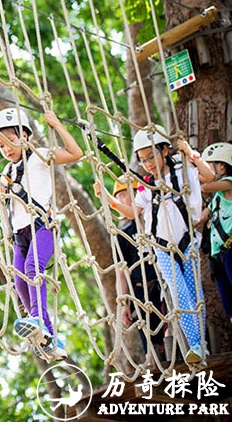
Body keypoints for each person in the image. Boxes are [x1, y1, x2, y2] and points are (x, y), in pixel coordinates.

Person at [0, 107, 83, 360]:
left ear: (25, 136)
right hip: (20, 234)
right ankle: (49, 337)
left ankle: (38, 320)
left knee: (33, 268)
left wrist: (57, 124)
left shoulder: (38, 157)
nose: (6, 148)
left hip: (42, 226)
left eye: (11, 140)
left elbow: (75, 153)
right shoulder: (6, 171)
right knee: (19, 283)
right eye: (1, 144)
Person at [107, 125, 210, 364]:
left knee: (195, 294)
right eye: (142, 160)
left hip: (188, 243)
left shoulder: (185, 173)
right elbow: (133, 213)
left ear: (164, 150)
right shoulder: (148, 189)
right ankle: (195, 345)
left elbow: (208, 177)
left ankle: (200, 344)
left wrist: (190, 153)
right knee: (179, 293)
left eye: (151, 156)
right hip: (162, 248)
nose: (148, 164)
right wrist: (111, 202)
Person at [94, 175, 166, 364]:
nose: (124, 200)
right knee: (151, 344)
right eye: (120, 196)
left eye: (128, 194)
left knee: (171, 334)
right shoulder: (123, 236)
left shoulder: (157, 223)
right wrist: (124, 302)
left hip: (164, 286)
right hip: (141, 293)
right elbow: (122, 272)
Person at [200, 142, 232, 323]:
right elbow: (202, 217)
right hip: (217, 255)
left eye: (209, 165)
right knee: (229, 305)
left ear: (222, 165)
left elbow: (205, 186)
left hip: (230, 248)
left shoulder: (229, 184)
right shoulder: (217, 199)